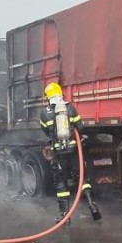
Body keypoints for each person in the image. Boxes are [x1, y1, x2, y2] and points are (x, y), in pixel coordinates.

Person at [39, 82, 101, 224]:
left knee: (61, 183)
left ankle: (65, 217)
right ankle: (93, 207)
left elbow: (46, 132)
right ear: (61, 94)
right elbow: (81, 127)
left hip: (58, 154)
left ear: (48, 97)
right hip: (74, 151)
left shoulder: (44, 113)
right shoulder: (70, 108)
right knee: (82, 180)